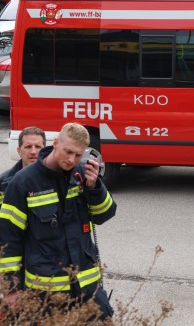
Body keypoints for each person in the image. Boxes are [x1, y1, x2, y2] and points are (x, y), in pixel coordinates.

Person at [0, 122, 116, 319]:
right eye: (68, 152)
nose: (72, 160)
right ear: (55, 144)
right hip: (44, 294)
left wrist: (95, 187)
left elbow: (104, 214)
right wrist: (10, 288)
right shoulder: (23, 182)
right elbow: (9, 238)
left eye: (78, 155)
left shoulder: (82, 174)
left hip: (87, 288)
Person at [0, 126, 46, 206]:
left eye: (38, 147)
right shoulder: (3, 183)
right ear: (19, 151)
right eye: (28, 147)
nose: (33, 152)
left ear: (44, 150)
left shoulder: (56, 179)